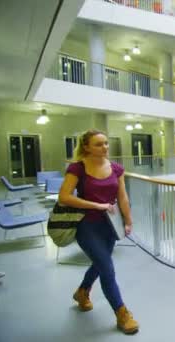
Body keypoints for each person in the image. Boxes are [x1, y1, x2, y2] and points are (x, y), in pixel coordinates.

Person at [58, 129, 139, 335]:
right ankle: (122, 313)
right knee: (107, 267)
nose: (104, 147)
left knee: (100, 263)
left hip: (110, 225)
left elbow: (122, 197)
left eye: (106, 143)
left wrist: (128, 221)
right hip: (86, 226)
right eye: (98, 144)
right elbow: (65, 197)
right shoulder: (77, 168)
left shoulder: (116, 168)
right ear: (86, 147)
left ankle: (82, 291)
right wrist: (96, 205)